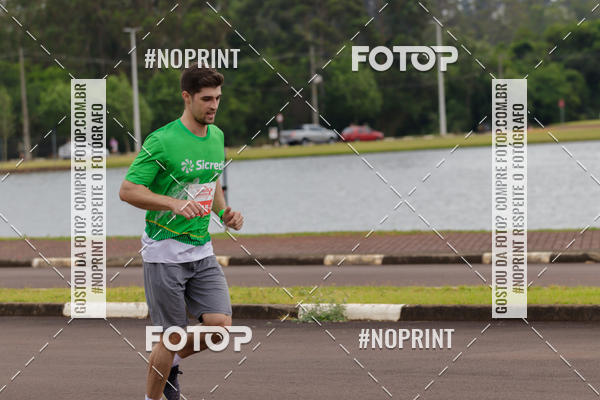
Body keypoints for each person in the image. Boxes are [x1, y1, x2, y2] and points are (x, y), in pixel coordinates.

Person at [119, 63, 243, 400]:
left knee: (220, 328)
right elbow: (128, 190)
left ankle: (169, 360)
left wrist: (224, 213)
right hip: (164, 252)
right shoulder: (162, 141)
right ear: (187, 97)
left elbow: (212, 182)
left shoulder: (217, 136)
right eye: (206, 99)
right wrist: (171, 203)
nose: (214, 105)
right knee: (172, 336)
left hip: (202, 250)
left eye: (217, 98)